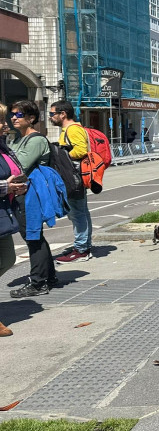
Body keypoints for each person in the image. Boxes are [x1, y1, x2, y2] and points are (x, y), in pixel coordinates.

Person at [9, 100, 59, 298]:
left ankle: (38, 283)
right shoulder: (17, 139)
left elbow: (18, 167)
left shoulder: (36, 140)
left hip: (29, 195)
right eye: (12, 114)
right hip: (21, 194)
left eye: (19, 114)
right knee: (34, 236)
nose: (14, 118)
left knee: (32, 237)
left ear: (31, 118)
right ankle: (49, 276)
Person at [48, 100, 93, 263]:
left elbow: (81, 150)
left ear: (63, 114)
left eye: (52, 114)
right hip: (75, 176)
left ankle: (81, 250)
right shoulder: (71, 129)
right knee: (81, 212)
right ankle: (84, 246)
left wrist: (62, 156)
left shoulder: (72, 129)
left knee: (77, 213)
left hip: (73, 177)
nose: (50, 117)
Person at [0, 104, 28, 335]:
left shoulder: (2, 145)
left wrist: (18, 185)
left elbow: (17, 167)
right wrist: (4, 186)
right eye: (0, 121)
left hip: (3, 212)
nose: (4, 125)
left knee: (7, 259)